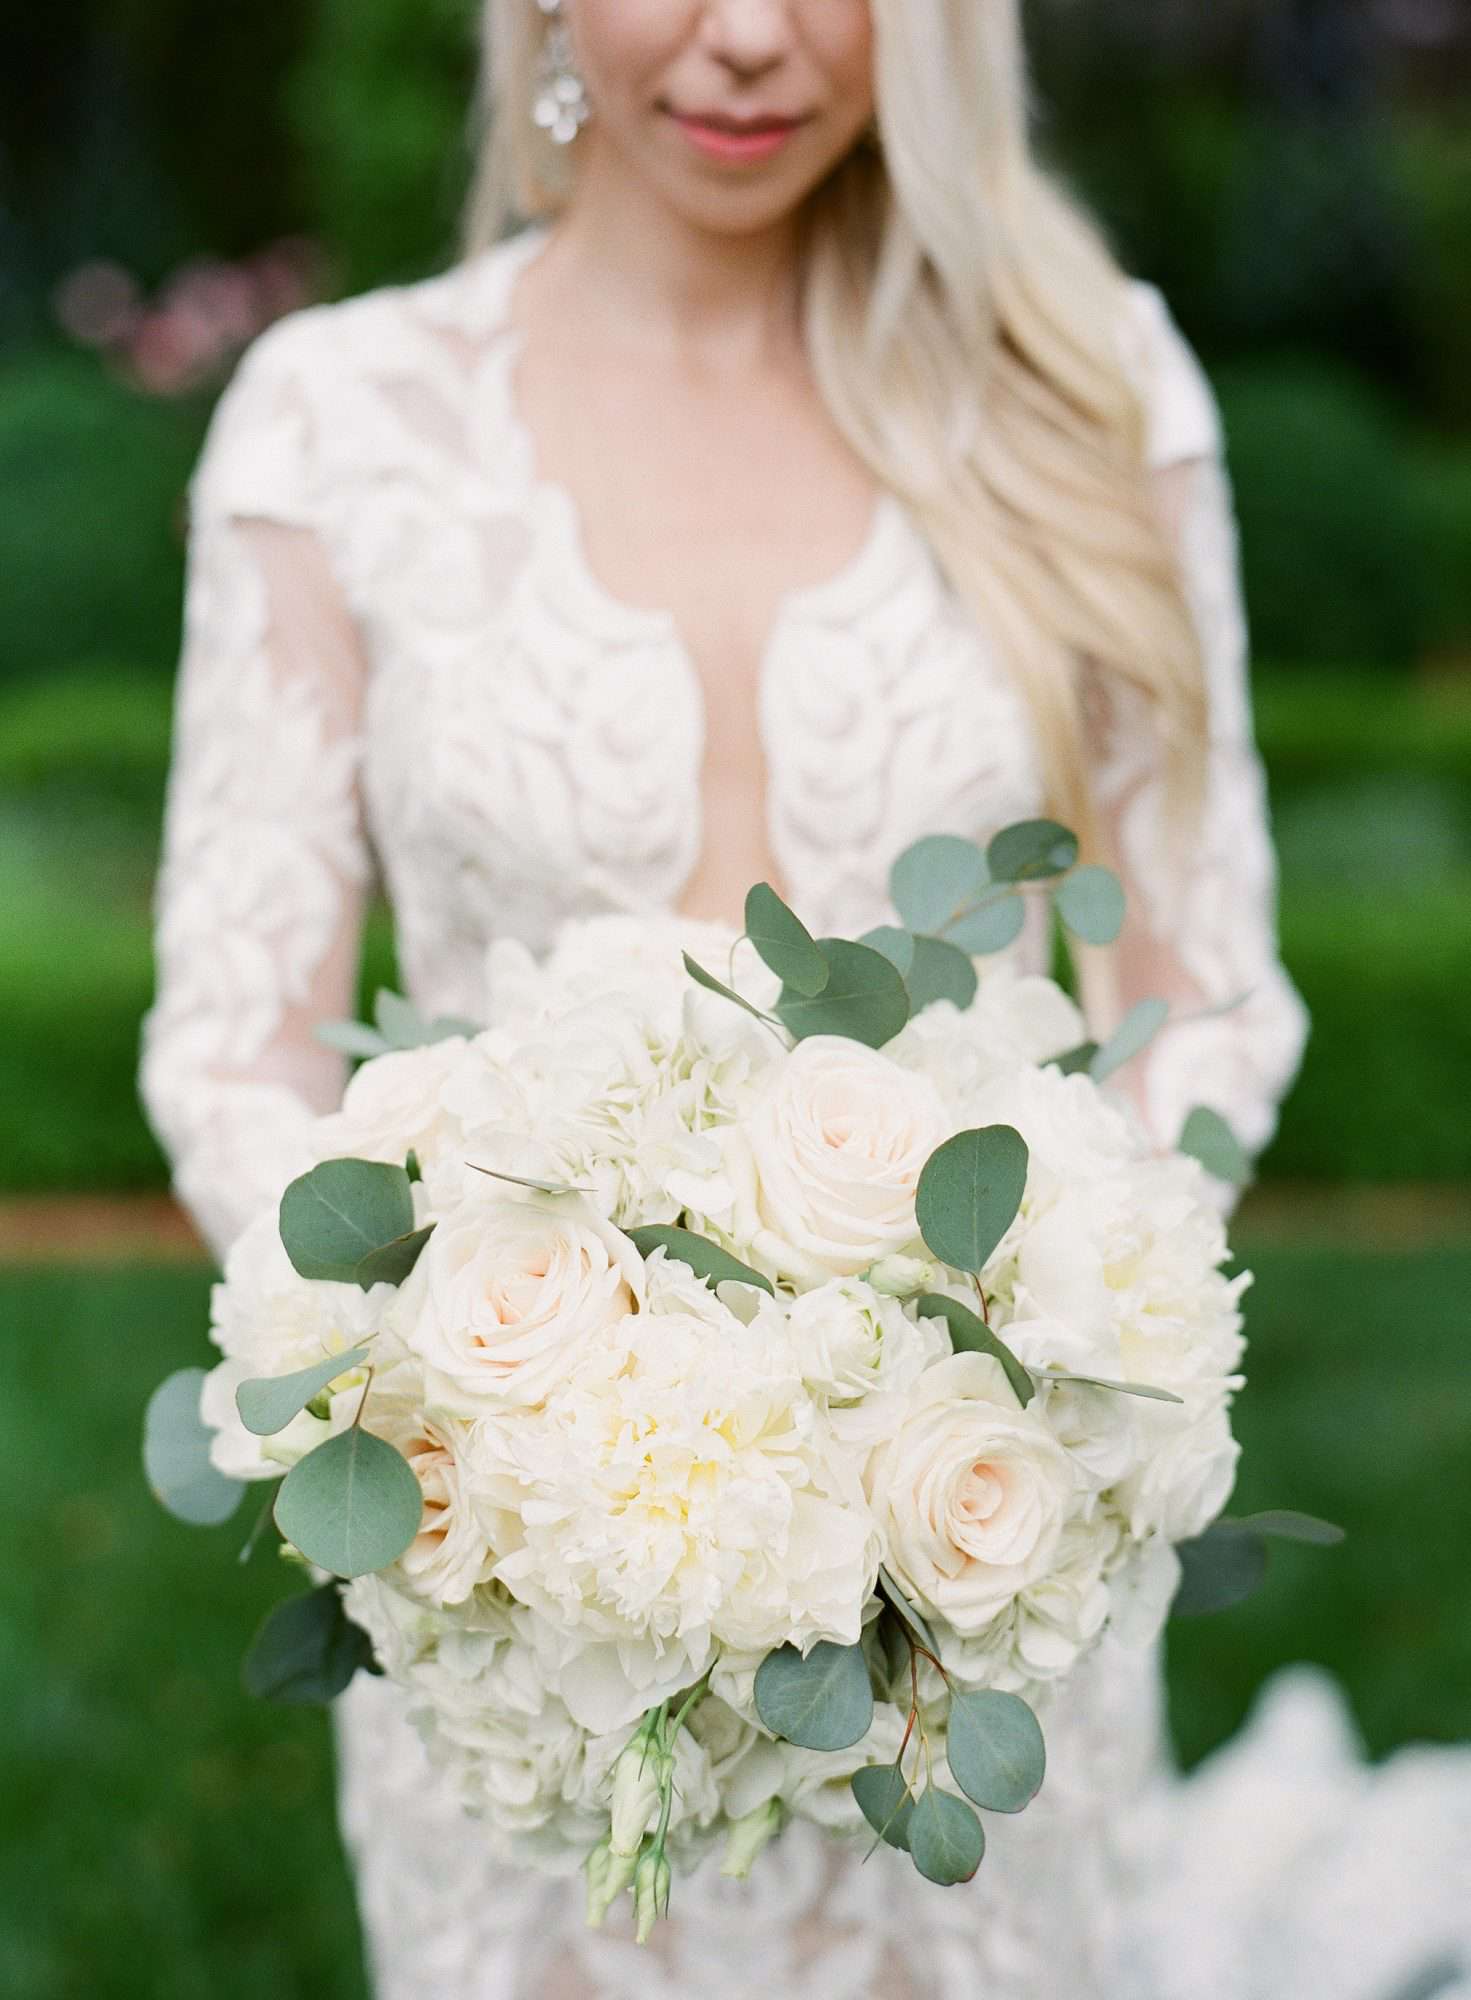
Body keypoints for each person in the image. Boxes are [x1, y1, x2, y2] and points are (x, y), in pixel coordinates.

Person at [137, 3, 1471, 1996]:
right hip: (517, 1597)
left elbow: (1205, 999)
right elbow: (236, 1043)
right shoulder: (337, 420)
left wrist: (1020, 1368)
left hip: (968, 1582)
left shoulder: (1086, 382)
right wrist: (465, 1409)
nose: (753, 40)